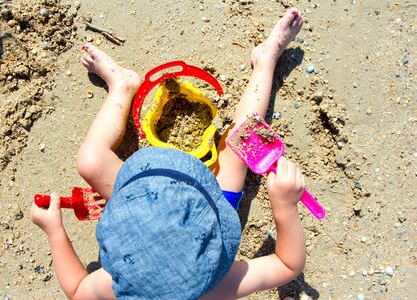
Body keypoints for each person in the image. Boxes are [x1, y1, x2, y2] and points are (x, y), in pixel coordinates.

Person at [31, 8, 305, 300]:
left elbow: (76, 289)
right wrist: (285, 206)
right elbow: (287, 264)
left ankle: (122, 87)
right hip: (204, 202)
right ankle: (265, 62)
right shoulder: (214, 285)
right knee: (240, 143)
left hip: (140, 207)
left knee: (90, 160)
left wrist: (55, 230)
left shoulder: (116, 283)